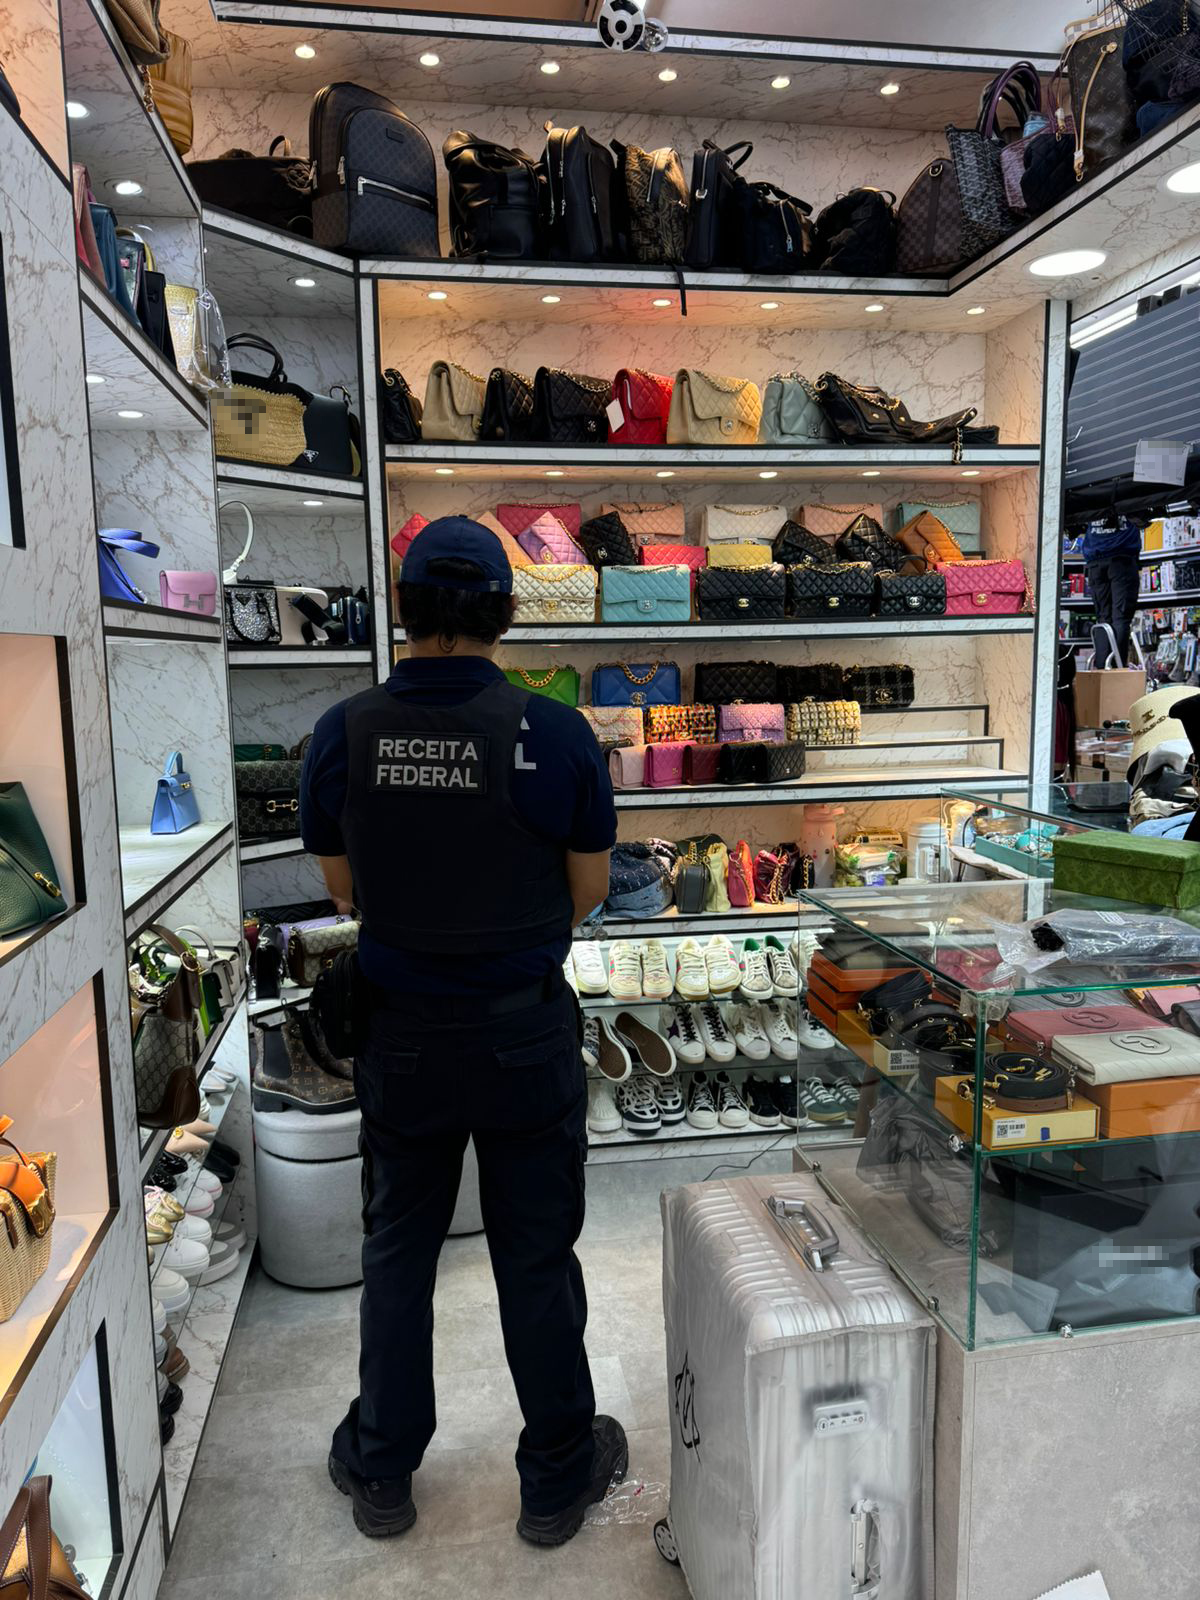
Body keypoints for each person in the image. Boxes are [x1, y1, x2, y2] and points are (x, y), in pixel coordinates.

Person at [299, 515, 626, 1547]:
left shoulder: (343, 731)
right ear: (505, 612)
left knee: (398, 1251)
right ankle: (556, 1479)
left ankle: (383, 1468)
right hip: (524, 1037)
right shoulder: (556, 734)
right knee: (536, 1257)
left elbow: (346, 886)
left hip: (401, 1039)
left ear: (404, 609)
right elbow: (588, 891)